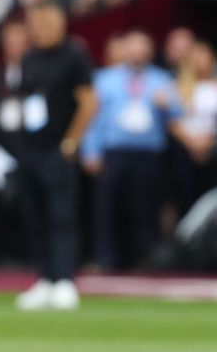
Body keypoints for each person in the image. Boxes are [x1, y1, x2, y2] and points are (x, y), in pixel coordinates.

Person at [81, 31, 203, 270]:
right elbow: (92, 118)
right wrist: (90, 150)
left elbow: (178, 118)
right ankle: (107, 258)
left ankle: (145, 260)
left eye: (142, 47)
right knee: (107, 208)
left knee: (145, 209)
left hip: (148, 154)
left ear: (149, 51)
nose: (137, 52)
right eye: (133, 47)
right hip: (114, 152)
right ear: (124, 50)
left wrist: (169, 104)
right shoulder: (104, 79)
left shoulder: (161, 79)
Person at [14, 0, 96, 310]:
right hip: (30, 149)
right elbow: (24, 101)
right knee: (34, 216)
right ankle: (45, 278)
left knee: (62, 216)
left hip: (57, 150)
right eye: (37, 24)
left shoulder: (74, 55)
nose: (42, 29)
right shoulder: (30, 58)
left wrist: (71, 142)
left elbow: (88, 102)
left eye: (48, 23)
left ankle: (64, 279)